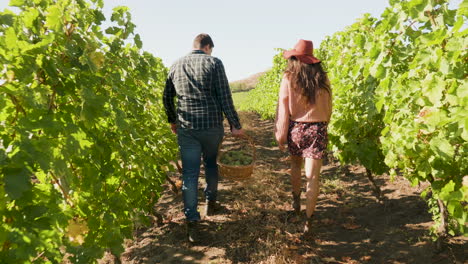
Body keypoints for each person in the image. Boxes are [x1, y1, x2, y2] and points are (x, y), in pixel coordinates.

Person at [163, 33, 245, 243]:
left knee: (190, 174)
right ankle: (211, 202)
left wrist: (173, 120)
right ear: (208, 47)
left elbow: (166, 97)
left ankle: (192, 221)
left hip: (187, 127)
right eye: (211, 49)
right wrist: (235, 124)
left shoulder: (176, 65)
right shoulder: (214, 63)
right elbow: (224, 96)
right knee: (210, 164)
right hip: (211, 126)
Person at [274, 39, 332, 234]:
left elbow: (283, 109)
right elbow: (329, 108)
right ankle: (309, 221)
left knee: (296, 167)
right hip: (318, 129)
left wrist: (281, 136)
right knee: (313, 177)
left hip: (296, 129)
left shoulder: (288, 77)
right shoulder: (323, 79)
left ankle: (296, 204)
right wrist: (323, 125)